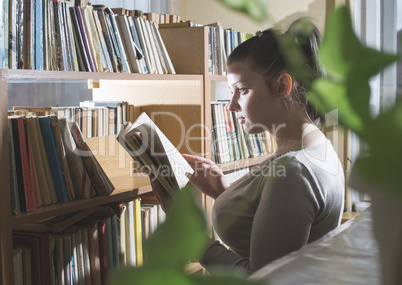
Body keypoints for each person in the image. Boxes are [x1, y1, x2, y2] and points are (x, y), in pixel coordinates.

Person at [150, 19, 345, 275]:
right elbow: (278, 221)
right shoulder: (314, 147)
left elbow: (261, 276)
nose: (231, 105)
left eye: (241, 89)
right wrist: (222, 191)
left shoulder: (294, 171)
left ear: (282, 86)